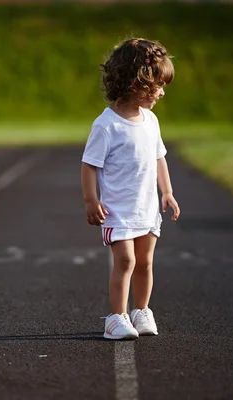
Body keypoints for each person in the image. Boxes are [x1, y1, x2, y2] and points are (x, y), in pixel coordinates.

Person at [81, 38, 181, 340]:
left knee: (145, 262)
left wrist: (167, 192)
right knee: (125, 261)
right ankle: (117, 317)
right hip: (118, 211)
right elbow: (89, 165)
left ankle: (141, 310)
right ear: (136, 83)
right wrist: (90, 200)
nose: (162, 93)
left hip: (146, 208)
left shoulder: (151, 121)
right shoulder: (106, 125)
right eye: (158, 86)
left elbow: (158, 157)